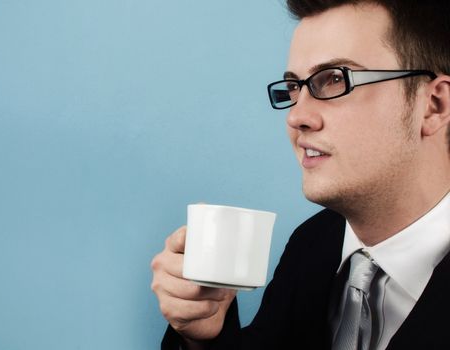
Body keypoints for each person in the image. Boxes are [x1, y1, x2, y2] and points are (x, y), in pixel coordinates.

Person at [151, 0, 450, 349]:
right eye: (295, 88)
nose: (296, 117)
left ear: (434, 106)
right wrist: (202, 335)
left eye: (335, 80)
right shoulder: (313, 244)